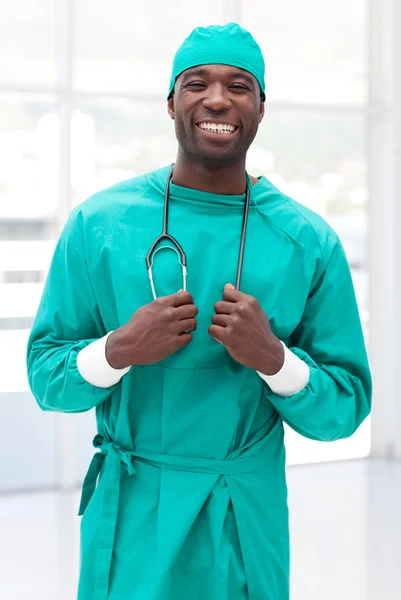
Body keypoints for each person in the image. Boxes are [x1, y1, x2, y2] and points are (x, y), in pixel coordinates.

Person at [26, 22, 372, 600]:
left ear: (261, 105)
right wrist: (118, 350)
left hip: (240, 512)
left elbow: (343, 407)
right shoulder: (100, 224)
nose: (218, 99)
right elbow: (46, 378)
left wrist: (276, 361)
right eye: (197, 83)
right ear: (171, 102)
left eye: (239, 85)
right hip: (133, 509)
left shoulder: (306, 241)